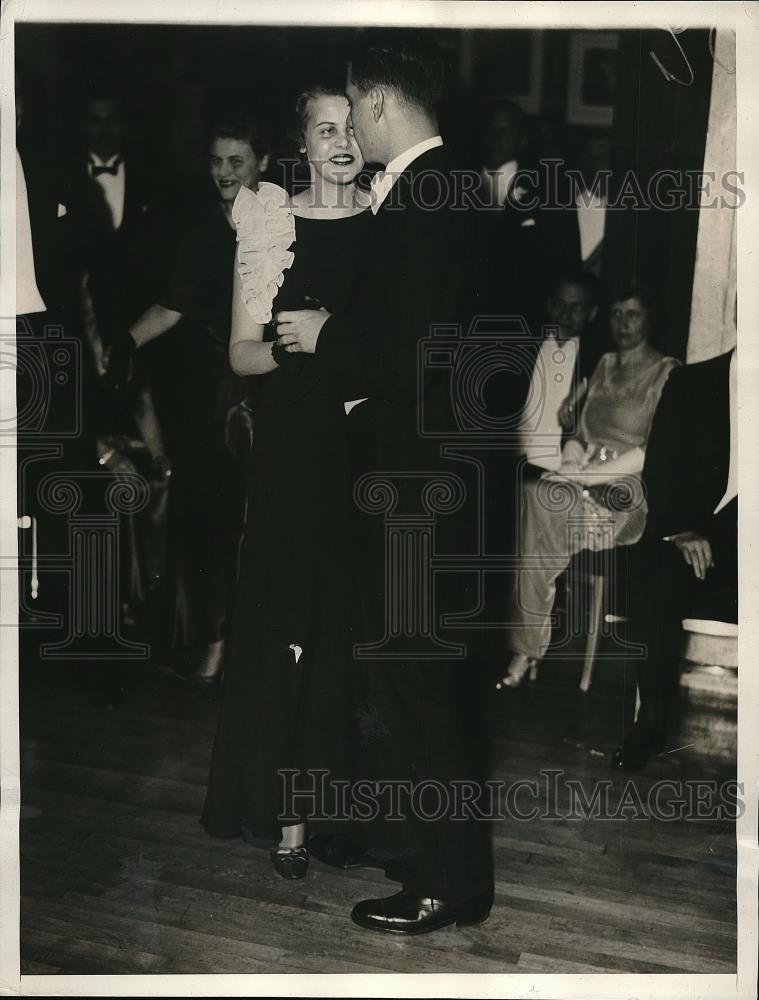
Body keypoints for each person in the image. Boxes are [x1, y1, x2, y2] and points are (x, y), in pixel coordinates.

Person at [275, 31, 494, 935]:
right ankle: (421, 852)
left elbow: (411, 354)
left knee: (415, 684)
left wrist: (327, 335)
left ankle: (446, 883)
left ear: (372, 101)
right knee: (416, 681)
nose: (349, 133)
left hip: (415, 491)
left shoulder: (425, 201)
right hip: (439, 479)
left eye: (351, 110)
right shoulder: (457, 192)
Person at [201, 85, 373, 877]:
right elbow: (241, 353)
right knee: (284, 623)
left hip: (367, 450)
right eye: (323, 128)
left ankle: (334, 815)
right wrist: (296, 349)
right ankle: (284, 821)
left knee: (346, 630)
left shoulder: (389, 222)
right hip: (293, 447)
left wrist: (342, 353)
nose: (339, 141)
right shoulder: (270, 221)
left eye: (349, 126)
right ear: (300, 142)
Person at [121, 113, 270, 683]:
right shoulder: (201, 226)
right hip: (210, 393)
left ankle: (250, 647)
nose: (223, 172)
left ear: (263, 162)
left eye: (236, 161)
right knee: (209, 514)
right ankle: (214, 639)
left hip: (264, 383)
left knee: (255, 519)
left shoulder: (284, 222)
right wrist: (121, 345)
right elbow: (174, 303)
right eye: (215, 160)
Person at [498, 276, 679, 688]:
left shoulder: (667, 372)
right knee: (535, 498)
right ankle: (526, 647)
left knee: (540, 508)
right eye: (616, 314)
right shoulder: (602, 364)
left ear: (650, 319)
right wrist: (571, 463)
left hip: (626, 489)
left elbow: (652, 451)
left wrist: (584, 477)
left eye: (633, 314)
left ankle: (524, 651)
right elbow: (579, 434)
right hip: (582, 482)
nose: (622, 323)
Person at [612, 347, 737, 771]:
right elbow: (660, 469)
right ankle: (650, 722)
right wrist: (679, 529)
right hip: (695, 533)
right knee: (657, 571)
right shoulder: (691, 382)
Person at [517, 268, 601, 473]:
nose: (565, 314)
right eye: (559, 305)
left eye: (576, 308)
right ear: (549, 304)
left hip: (559, 470)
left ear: (592, 313)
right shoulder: (523, 348)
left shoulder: (597, 362)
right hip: (515, 463)